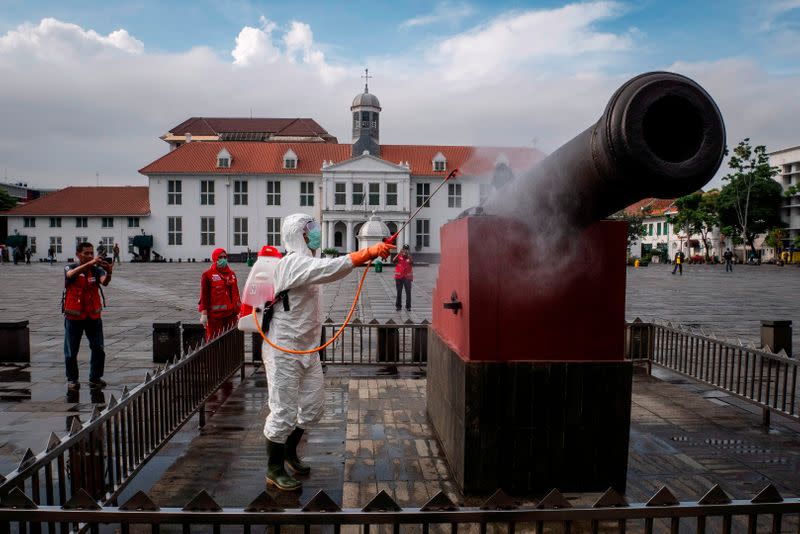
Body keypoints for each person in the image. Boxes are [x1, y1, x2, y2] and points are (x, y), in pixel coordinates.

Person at [262, 214, 394, 491]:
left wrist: (366, 256)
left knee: (312, 407)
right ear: (297, 234)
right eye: (309, 229)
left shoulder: (307, 262)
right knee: (283, 410)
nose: (314, 233)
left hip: (307, 348)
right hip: (283, 349)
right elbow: (331, 268)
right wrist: (367, 252)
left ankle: (289, 451)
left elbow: (326, 268)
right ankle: (274, 469)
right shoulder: (292, 263)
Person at [63, 242, 113, 390]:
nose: (90, 255)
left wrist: (109, 272)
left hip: (93, 316)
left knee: (98, 348)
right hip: (74, 316)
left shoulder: (96, 270)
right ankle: (72, 379)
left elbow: (105, 282)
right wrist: (91, 263)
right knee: (71, 351)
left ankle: (95, 377)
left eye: (92, 253)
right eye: (86, 253)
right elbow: (70, 275)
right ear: (78, 254)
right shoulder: (71, 267)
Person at [199, 248, 241, 340]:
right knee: (214, 340)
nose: (223, 259)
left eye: (225, 257)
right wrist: (204, 313)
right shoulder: (207, 275)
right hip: (215, 317)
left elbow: (236, 293)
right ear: (215, 259)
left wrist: (239, 309)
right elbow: (204, 295)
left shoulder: (231, 274)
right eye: (220, 257)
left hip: (231, 315)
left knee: (230, 340)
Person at [393, 244, 414, 311]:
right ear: (402, 249)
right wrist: (399, 253)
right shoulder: (399, 256)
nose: (405, 250)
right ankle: (398, 306)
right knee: (399, 292)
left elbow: (412, 262)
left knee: (408, 292)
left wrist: (408, 255)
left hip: (407, 277)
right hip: (399, 277)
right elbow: (393, 260)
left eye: (407, 249)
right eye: (404, 249)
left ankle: (408, 306)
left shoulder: (409, 257)